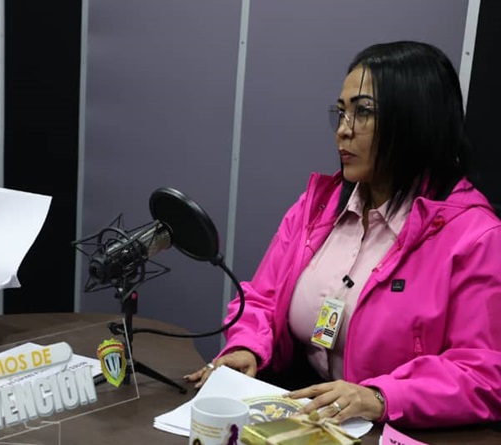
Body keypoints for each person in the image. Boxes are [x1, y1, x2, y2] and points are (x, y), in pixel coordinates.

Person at [185, 41, 501, 428]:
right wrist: (248, 347)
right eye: (341, 112)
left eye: (363, 112)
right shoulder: (319, 205)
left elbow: (483, 375)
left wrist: (380, 396)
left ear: (416, 120)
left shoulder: (475, 236)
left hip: (395, 428)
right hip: (308, 413)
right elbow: (263, 299)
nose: (342, 131)